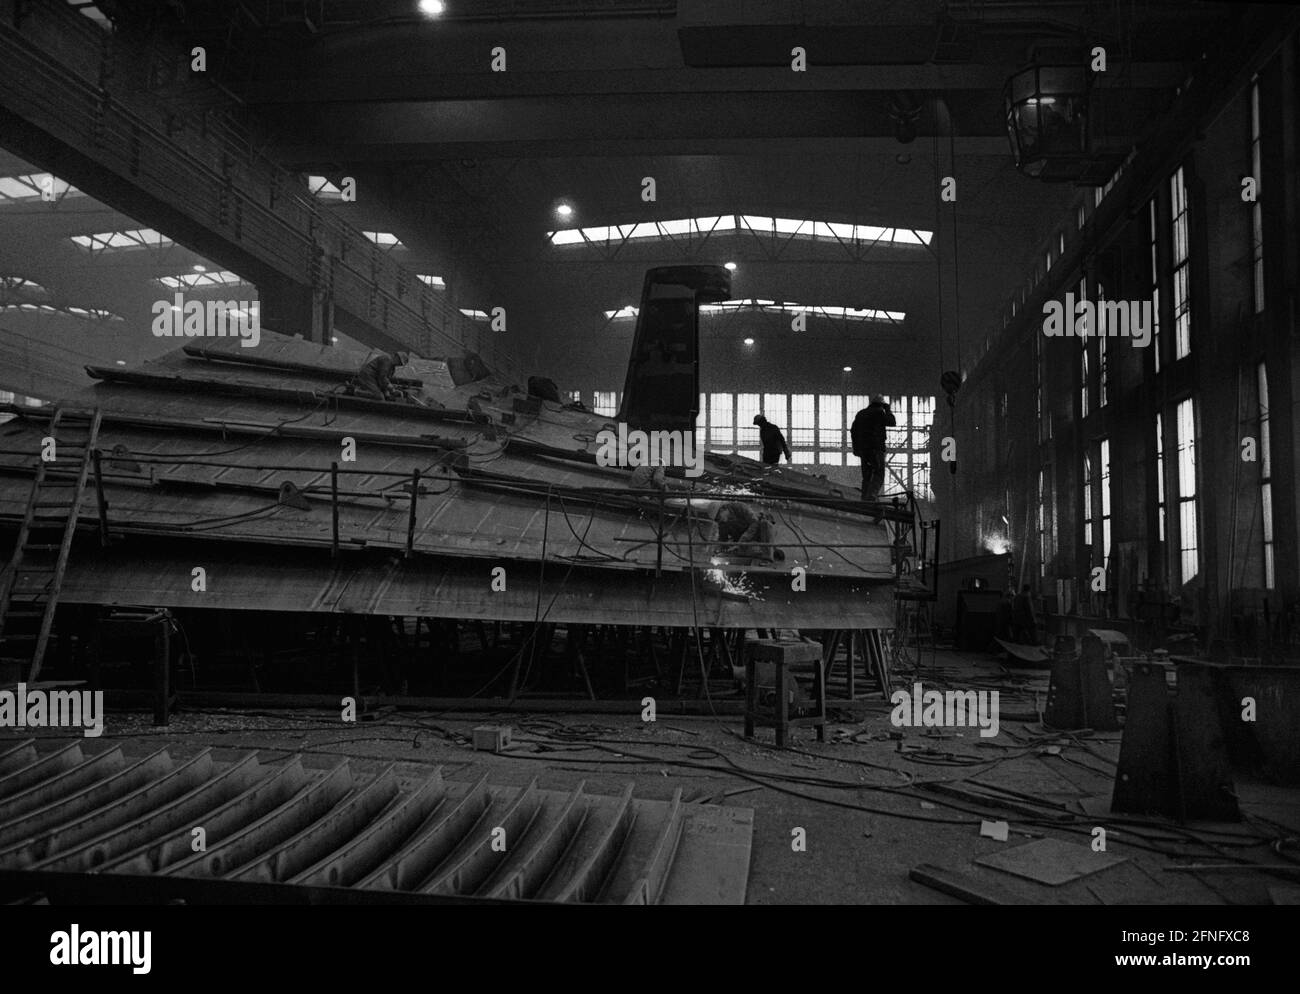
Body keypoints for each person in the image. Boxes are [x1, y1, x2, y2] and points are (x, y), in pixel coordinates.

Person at [851, 395, 895, 499]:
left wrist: (856, 448)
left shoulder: (860, 414)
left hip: (863, 451)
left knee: (867, 476)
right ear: (881, 405)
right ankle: (872, 495)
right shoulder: (879, 413)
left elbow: (853, 431)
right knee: (879, 473)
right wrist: (888, 410)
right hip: (876, 449)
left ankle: (864, 497)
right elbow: (892, 422)